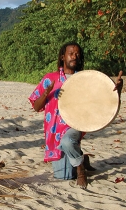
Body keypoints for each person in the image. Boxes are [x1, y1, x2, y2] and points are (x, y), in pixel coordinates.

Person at [28, 42, 123, 189]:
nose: (74, 56)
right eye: (71, 53)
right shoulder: (50, 78)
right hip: (54, 132)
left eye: (77, 54)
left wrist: (117, 90)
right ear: (62, 57)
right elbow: (36, 106)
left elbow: (102, 99)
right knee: (64, 176)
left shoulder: (85, 78)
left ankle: (81, 170)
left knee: (67, 142)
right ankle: (82, 159)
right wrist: (46, 93)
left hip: (75, 124)